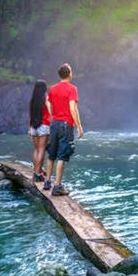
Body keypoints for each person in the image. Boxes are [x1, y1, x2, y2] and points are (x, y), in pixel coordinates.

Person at [44, 63, 83, 196]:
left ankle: (47, 181)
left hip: (54, 123)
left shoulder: (53, 88)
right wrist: (79, 126)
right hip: (66, 125)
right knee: (62, 155)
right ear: (70, 74)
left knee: (51, 153)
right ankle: (58, 186)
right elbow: (73, 107)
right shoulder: (72, 89)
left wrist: (51, 115)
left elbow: (47, 102)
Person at [28, 79, 51, 182]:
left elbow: (31, 115)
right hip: (43, 126)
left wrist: (29, 128)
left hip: (33, 127)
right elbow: (51, 112)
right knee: (42, 150)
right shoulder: (46, 98)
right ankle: (38, 174)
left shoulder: (32, 100)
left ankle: (36, 172)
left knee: (36, 150)